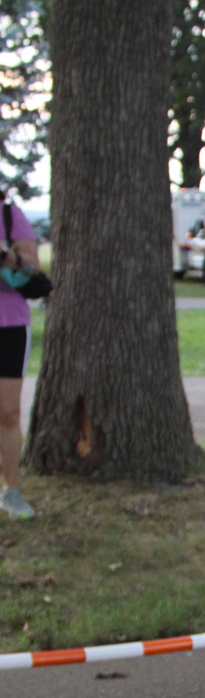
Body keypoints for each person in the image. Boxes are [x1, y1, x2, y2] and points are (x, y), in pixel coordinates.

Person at [0, 192, 39, 519]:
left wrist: (6, 256)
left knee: (8, 413)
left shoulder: (9, 214)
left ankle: (9, 490)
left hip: (9, 324)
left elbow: (32, 267)